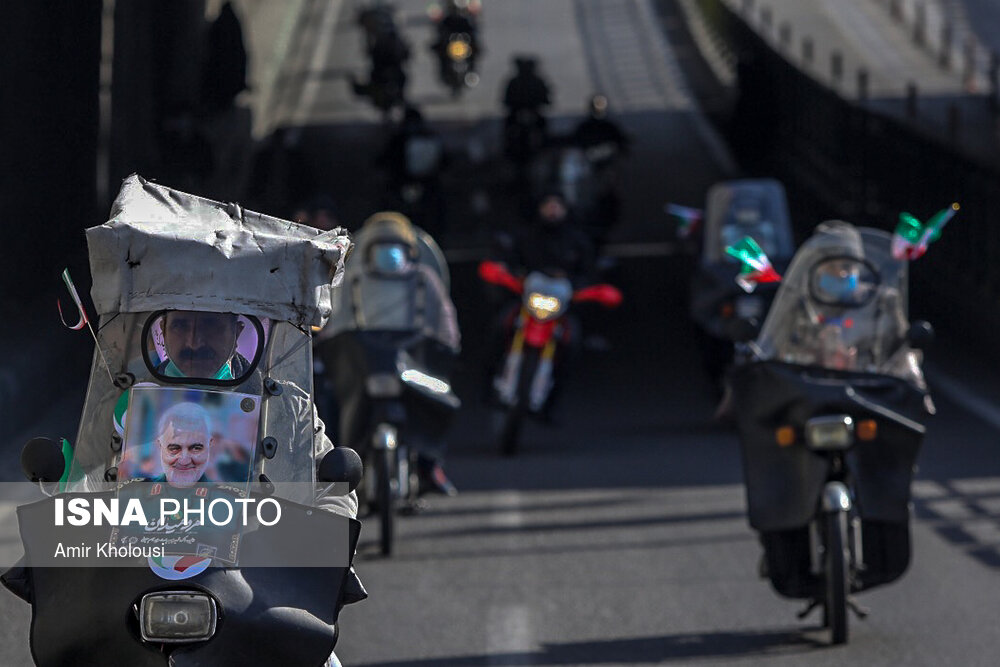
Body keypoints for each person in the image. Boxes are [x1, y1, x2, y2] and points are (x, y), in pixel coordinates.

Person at [318, 212, 460, 495]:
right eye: (380, 246)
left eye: (394, 245)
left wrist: (446, 349)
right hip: (363, 367)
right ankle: (333, 466)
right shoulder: (351, 280)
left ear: (410, 249)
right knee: (329, 402)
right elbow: (335, 321)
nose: (388, 252)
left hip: (413, 366)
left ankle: (430, 465)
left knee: (435, 399)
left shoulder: (425, 279)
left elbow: (444, 323)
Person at [152, 402, 212, 488]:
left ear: (209, 445)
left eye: (196, 448)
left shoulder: (229, 498)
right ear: (159, 446)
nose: (184, 461)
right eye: (174, 448)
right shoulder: (135, 492)